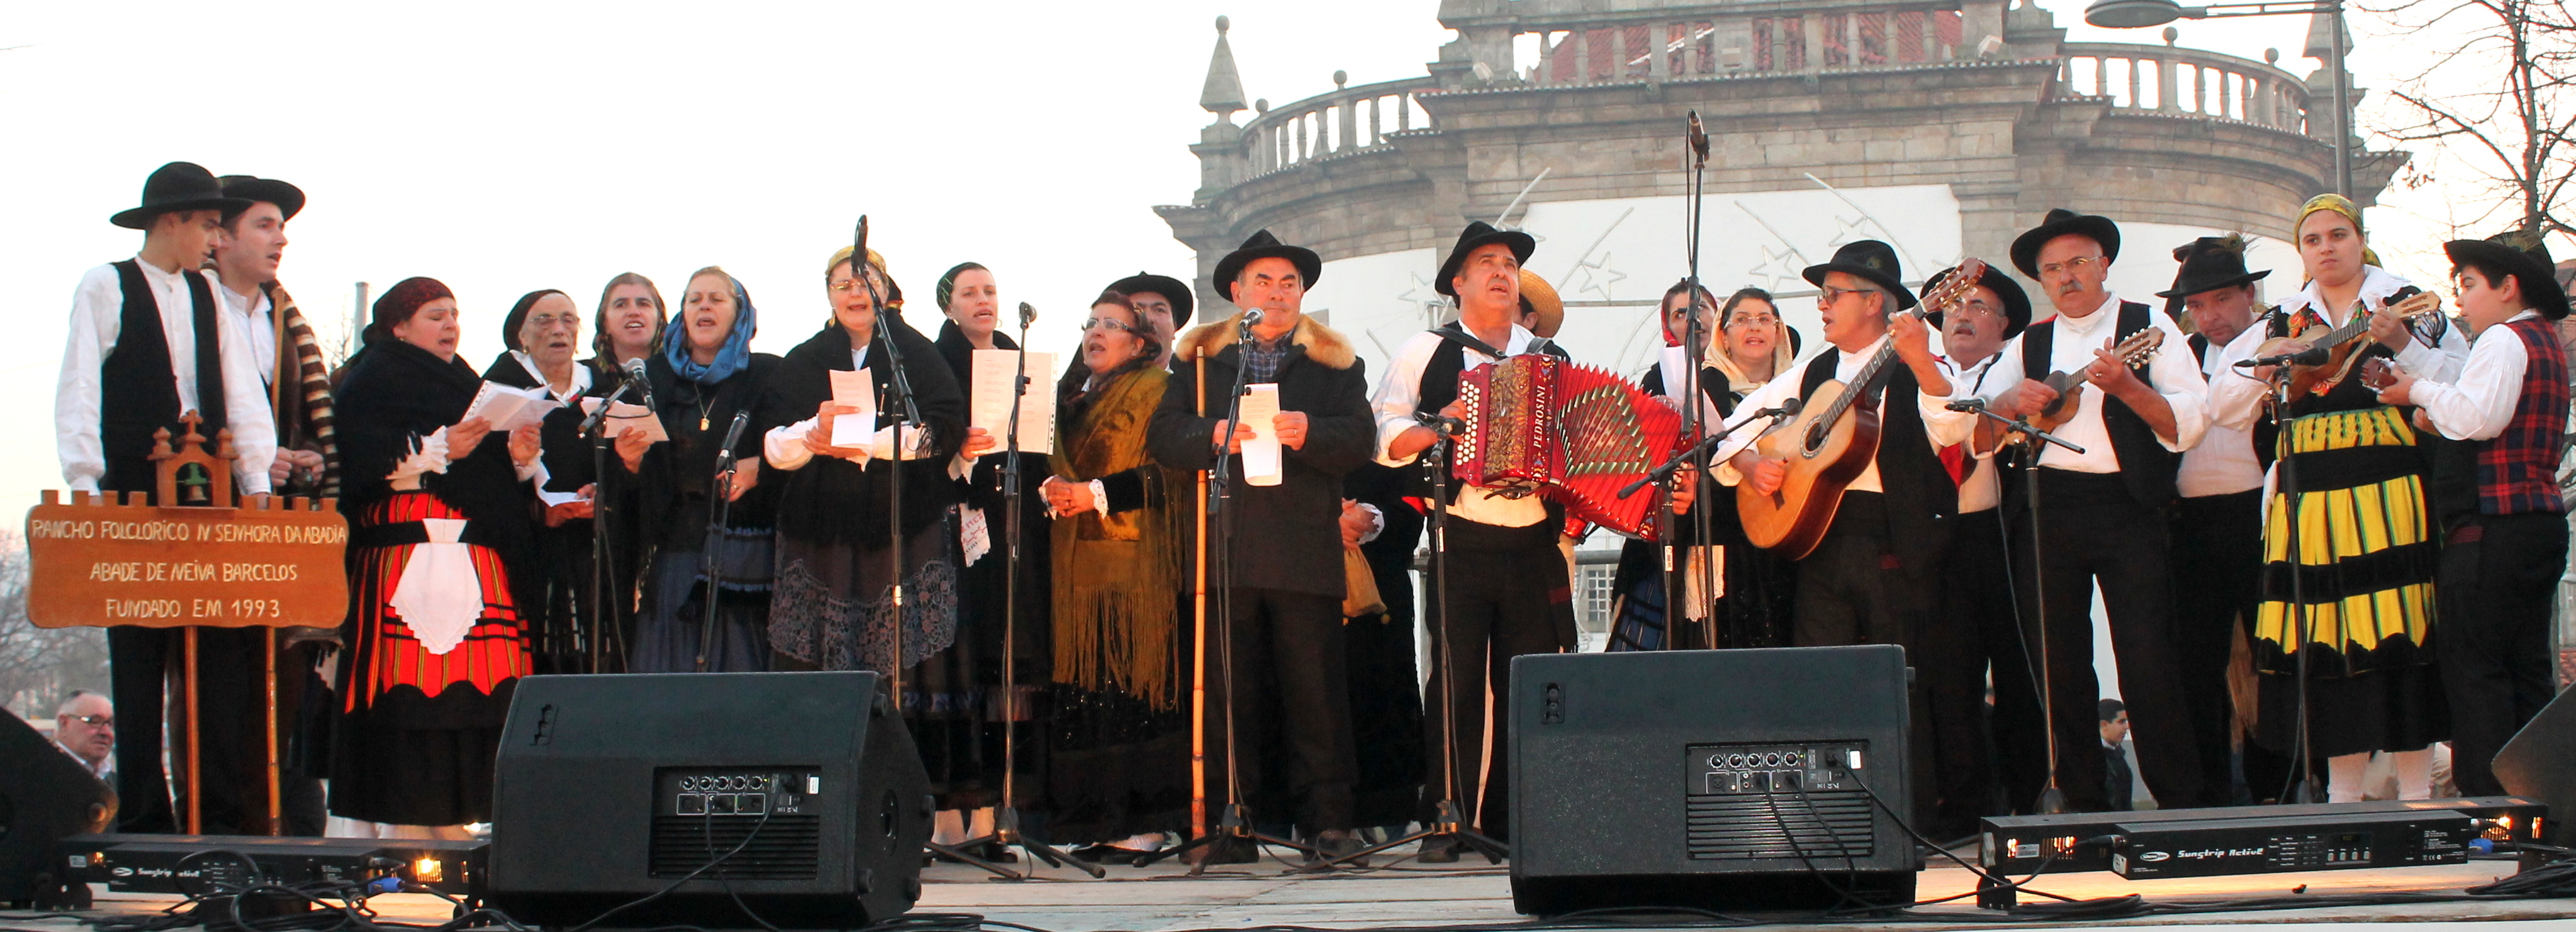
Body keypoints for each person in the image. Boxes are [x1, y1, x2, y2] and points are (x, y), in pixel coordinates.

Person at [2207, 194, 2463, 803]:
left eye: (2337, 235)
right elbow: (2220, 405)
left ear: (2358, 240)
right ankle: (2340, 800)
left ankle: (2415, 797)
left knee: (2396, 631)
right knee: (2324, 641)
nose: (2325, 247)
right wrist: (2268, 363)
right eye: (2312, 239)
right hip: (2309, 495)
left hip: (2388, 486)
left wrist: (2402, 343)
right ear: (2301, 253)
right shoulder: (2284, 321)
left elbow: (2455, 380)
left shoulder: (2402, 302)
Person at [1713, 240, 1966, 828]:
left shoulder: (1917, 358)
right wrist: (1753, 466)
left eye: (1832, 296)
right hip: (1820, 543)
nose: (1821, 307)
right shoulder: (1814, 371)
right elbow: (1729, 434)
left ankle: (1912, 821)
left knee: (1895, 687)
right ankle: (1829, 817)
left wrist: (1923, 359)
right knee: (1820, 682)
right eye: (1822, 296)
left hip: (1892, 540)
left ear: (1875, 303)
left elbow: (1953, 427)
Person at [59, 162, 277, 833]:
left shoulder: (207, 297)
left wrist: (257, 480)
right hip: (131, 477)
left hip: (206, 483)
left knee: (211, 642)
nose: (214, 240)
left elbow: (239, 387)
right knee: (138, 643)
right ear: (172, 220)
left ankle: (215, 808)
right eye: (208, 225)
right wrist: (86, 480)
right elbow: (81, 382)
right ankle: (144, 811)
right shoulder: (107, 285)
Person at [1151, 229, 1375, 865]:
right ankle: (1232, 820)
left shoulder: (1335, 363)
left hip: (1305, 547)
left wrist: (1311, 432)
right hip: (1226, 547)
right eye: (1263, 283)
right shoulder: (1198, 363)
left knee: (1316, 695)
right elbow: (1165, 437)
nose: (1276, 294)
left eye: (1289, 284)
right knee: (1227, 695)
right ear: (1235, 293)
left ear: (1302, 294)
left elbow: (1360, 438)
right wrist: (1214, 431)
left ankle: (1327, 824)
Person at [1978, 209, 2212, 813]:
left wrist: (2129, 388)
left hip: (2128, 503)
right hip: (2047, 504)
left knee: (2148, 657)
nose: (2066, 276)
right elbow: (1977, 432)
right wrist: (2011, 399)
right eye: (2052, 269)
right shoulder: (2028, 344)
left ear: (2104, 263)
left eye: (2078, 262)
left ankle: (2178, 802)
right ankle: (2078, 802)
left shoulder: (2148, 324)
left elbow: (2190, 423)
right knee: (2059, 663)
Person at [761, 247, 997, 835]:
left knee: (914, 669)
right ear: (829, 294)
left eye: (866, 281)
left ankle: (922, 812)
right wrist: (812, 436)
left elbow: (942, 431)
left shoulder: (914, 353)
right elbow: (772, 447)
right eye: (843, 283)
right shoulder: (806, 359)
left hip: (905, 533)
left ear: (887, 289)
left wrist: (869, 439)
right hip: (823, 540)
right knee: (823, 664)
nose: (854, 291)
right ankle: (822, 816)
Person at [328, 277, 541, 836]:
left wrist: (517, 458)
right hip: (406, 564)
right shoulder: (370, 380)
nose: (451, 326)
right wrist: (440, 448)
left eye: (454, 314)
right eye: (434, 315)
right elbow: (358, 464)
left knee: (478, 701)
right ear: (398, 325)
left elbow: (492, 484)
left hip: (476, 564)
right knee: (410, 701)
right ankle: (404, 833)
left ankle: (467, 824)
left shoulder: (468, 384)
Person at [2371, 229, 2569, 798]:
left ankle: (2490, 813)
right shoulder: (2542, 340)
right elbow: (2473, 403)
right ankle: (2542, 805)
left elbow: (2480, 416)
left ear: (2508, 287)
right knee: (2526, 669)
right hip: (2534, 523)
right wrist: (2429, 390)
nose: (2461, 299)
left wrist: (2417, 395)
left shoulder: (2505, 339)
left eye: (2470, 285)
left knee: (2477, 671)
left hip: (2493, 530)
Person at [1036, 291, 1191, 862]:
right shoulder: (1069, 398)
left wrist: (1097, 493)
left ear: (1141, 342)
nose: (1096, 333)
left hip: (1136, 568)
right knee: (1086, 694)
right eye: (1091, 323)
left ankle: (1145, 823)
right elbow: (1049, 464)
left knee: (1135, 689)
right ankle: (1095, 820)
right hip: (1074, 569)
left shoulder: (1159, 390)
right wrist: (1051, 490)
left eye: (1112, 324)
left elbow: (1170, 475)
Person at [206, 173, 334, 835]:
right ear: (219, 235)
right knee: (216, 690)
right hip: (211, 528)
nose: (280, 239)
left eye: (282, 228)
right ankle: (225, 838)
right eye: (264, 224)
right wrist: (244, 462)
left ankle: (292, 839)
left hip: (283, 530)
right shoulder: (192, 309)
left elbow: (306, 419)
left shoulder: (284, 318)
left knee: (286, 687)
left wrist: (304, 455)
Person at [931, 262, 1050, 848]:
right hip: (955, 526)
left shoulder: (1018, 359)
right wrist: (964, 454)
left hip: (1015, 524)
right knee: (966, 660)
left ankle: (1004, 806)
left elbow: (1040, 442)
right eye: (969, 292)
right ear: (948, 305)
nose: (984, 300)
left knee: (1012, 659)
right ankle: (954, 805)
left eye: (991, 291)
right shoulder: (936, 364)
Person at [2156, 235, 2278, 804]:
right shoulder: (2180, 353)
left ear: (2248, 294)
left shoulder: (2275, 341)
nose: (2210, 316)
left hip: (2258, 516)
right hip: (2192, 523)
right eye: (2198, 305)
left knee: (2272, 653)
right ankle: (2205, 787)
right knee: (2194, 663)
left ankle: (2277, 779)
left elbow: (2226, 411)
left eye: (2222, 300)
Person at [1613, 283, 1802, 652]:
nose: (1754, 328)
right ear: (1725, 335)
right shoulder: (1692, 387)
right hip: (1713, 541)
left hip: (1782, 540)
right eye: (1743, 320)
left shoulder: (1801, 387)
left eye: (1765, 320)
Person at [622, 269, 779, 674]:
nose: (704, 306)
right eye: (694, 299)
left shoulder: (768, 374)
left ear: (740, 314)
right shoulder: (653, 376)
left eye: (716, 299)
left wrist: (761, 466)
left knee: (738, 670)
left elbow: (794, 443)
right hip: (676, 546)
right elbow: (639, 477)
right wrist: (629, 460)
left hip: (742, 550)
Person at [1923, 260, 2032, 831]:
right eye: (1955, 306)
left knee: (2021, 673)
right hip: (1941, 542)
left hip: (2006, 537)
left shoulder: (2018, 367)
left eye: (1978, 307)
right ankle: (1962, 805)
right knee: (1950, 677)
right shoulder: (1920, 376)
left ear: (2005, 323)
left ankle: (2030, 796)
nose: (1962, 315)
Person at [483, 290, 612, 674]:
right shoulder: (497, 390)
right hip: (527, 546)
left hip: (592, 546)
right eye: (544, 320)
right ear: (520, 335)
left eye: (568, 320)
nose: (559, 329)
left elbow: (629, 456)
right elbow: (483, 473)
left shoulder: (605, 387)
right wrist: (536, 504)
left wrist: (606, 487)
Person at [1107, 272, 1194, 369]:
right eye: (1137, 309)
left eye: (1159, 310)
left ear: (1175, 326)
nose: (1149, 318)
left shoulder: (1197, 379)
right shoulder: (1097, 380)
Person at [53, 691, 115, 781]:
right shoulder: (38, 778)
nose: (106, 732)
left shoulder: (120, 784)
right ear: (64, 723)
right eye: (95, 721)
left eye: (111, 724)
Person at [2099, 699, 2135, 811]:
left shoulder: (2118, 754)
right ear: (2104, 725)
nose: (2127, 727)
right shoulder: (2094, 759)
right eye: (2121, 722)